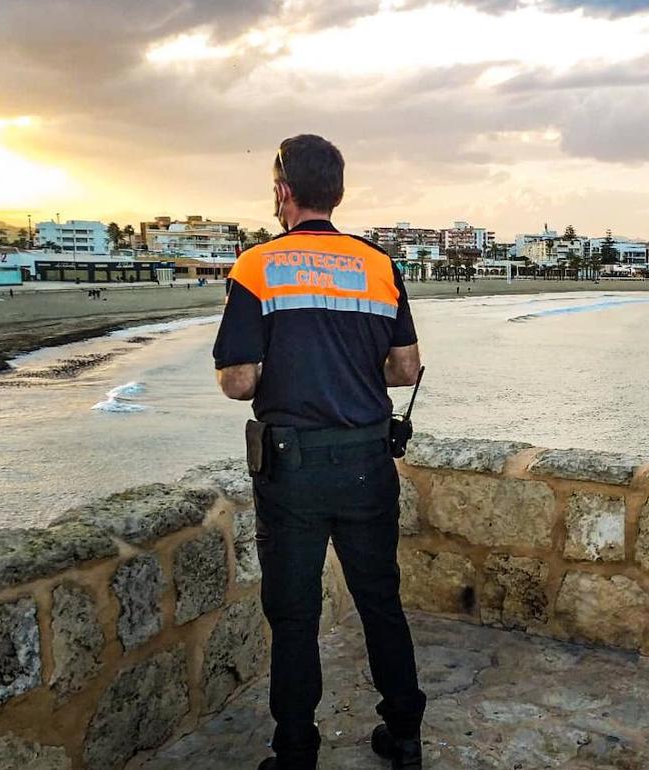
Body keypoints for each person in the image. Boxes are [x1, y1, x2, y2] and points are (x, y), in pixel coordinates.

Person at [213, 134, 426, 770]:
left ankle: (297, 750)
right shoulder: (379, 266)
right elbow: (406, 369)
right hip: (367, 462)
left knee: (295, 613)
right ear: (336, 193)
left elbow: (239, 381)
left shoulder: (256, 267)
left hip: (292, 467)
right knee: (380, 600)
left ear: (283, 192)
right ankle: (406, 736)